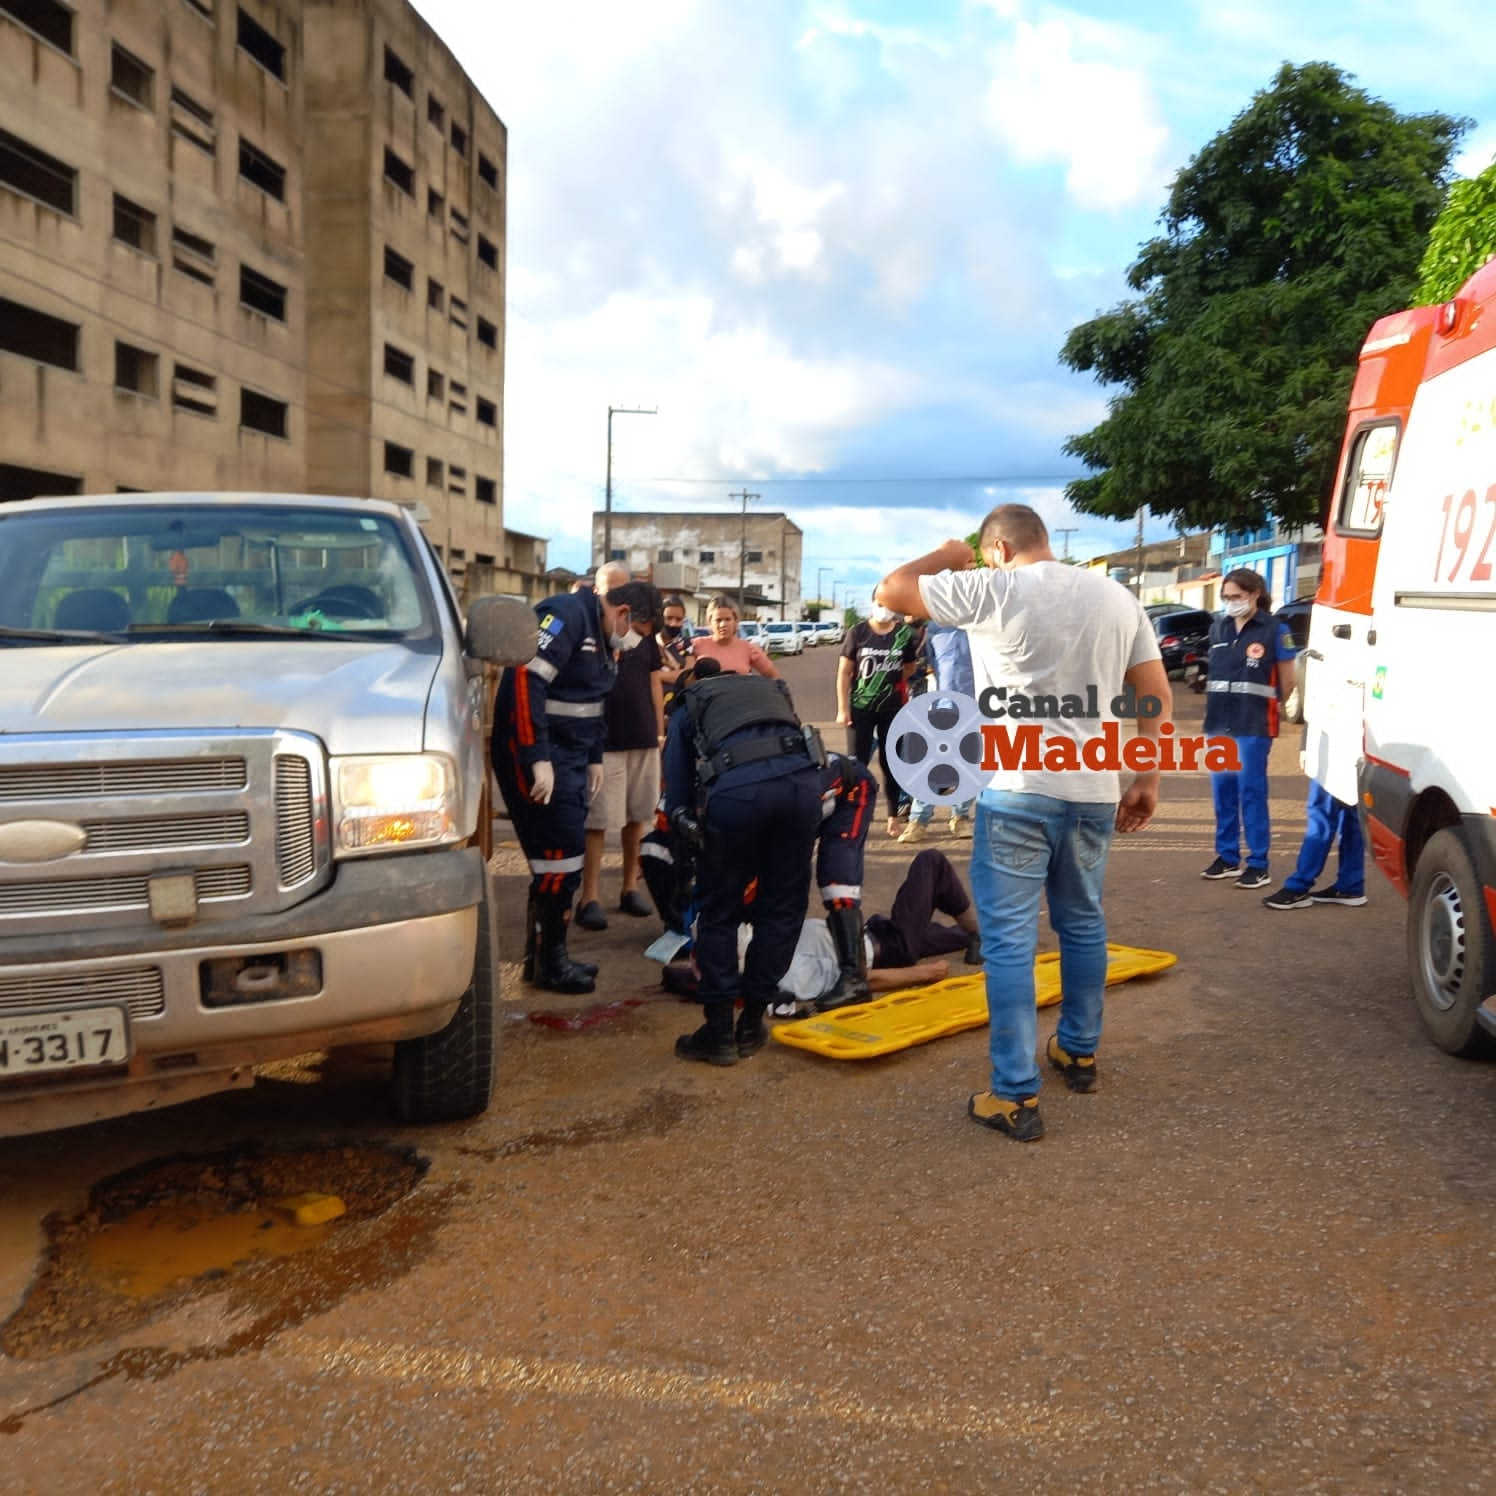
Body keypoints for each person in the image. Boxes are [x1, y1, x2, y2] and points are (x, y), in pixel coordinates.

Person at [879, 503, 1169, 1143]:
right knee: (1084, 923)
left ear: (1000, 550)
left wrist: (952, 553)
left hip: (1017, 790)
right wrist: (1145, 778)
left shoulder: (990, 586)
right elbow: (1153, 690)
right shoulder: (1117, 597)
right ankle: (1078, 1052)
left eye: (984, 556)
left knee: (1011, 943)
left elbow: (890, 591)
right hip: (1092, 789)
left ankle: (1014, 1095)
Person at [492, 568, 653, 994]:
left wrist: (595, 758)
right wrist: (536, 757)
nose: (634, 641)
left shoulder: (604, 639)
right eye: (635, 631)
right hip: (539, 753)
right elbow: (526, 678)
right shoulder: (565, 615)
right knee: (559, 860)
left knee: (562, 861)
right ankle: (549, 962)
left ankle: (545, 957)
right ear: (621, 611)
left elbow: (594, 703)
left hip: (575, 756)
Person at [662, 668, 822, 1066]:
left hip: (739, 794)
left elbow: (678, 798)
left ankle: (718, 1033)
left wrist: (687, 864)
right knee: (783, 908)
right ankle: (751, 1025)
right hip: (803, 791)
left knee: (719, 909)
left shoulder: (689, 703)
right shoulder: (772, 690)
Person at [663, 848, 983, 1013]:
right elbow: (862, 978)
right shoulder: (784, 973)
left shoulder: (742, 940)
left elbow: (680, 972)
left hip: (873, 931)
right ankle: (977, 930)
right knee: (931, 863)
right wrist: (926, 974)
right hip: (891, 948)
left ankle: (980, 934)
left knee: (952, 936)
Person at [1200, 569, 1298, 891]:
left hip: (1254, 724)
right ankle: (1227, 857)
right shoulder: (1219, 628)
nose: (1231, 603)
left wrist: (1277, 707)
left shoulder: (1275, 630)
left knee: (1251, 793)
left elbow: (1288, 679)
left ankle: (1258, 863)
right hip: (1219, 723)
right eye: (1226, 598)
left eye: (1236, 597)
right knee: (1222, 792)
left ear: (1255, 593)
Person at [577, 570, 665, 931]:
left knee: (637, 817)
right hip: (606, 743)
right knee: (597, 821)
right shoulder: (594, 631)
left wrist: (659, 732)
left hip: (643, 739)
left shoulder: (645, 638)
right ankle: (589, 897)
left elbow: (654, 682)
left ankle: (630, 888)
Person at [837, 603, 918, 837]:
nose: (885, 609)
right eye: (880, 604)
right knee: (856, 763)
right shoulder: (858, 632)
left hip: (892, 708)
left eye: (890, 605)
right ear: (872, 605)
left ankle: (893, 816)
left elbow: (910, 667)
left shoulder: (903, 634)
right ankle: (853, 813)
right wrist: (843, 708)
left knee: (891, 762)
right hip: (860, 708)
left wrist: (885, 679)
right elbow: (844, 672)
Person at [899, 619, 977, 842]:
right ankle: (918, 821)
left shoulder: (982, 626)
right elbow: (922, 666)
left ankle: (960, 818)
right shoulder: (934, 629)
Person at [1262, 780, 1367, 910]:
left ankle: (1299, 886)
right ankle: (1350, 885)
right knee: (1351, 815)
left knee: (1321, 813)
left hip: (1336, 765)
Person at [691, 595, 781, 678]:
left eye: (728, 619)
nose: (723, 624)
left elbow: (774, 677)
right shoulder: (695, 645)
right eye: (718, 620)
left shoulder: (748, 648)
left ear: (735, 621)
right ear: (710, 622)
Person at [657, 594, 694, 711]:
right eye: (669, 618)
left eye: (678, 619)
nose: (673, 624)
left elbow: (688, 675)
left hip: (679, 708)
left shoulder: (686, 644)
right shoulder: (649, 643)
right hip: (653, 707)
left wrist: (658, 676)